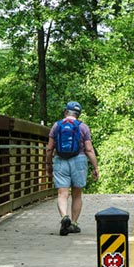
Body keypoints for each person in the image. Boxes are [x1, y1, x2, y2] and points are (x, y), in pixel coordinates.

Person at [45, 101, 99, 236]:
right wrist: (95, 167)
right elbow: (89, 149)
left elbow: (49, 148)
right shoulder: (83, 127)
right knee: (77, 194)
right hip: (79, 160)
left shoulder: (57, 126)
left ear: (65, 112)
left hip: (60, 160)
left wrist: (48, 164)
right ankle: (73, 224)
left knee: (62, 193)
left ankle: (64, 217)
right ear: (78, 115)